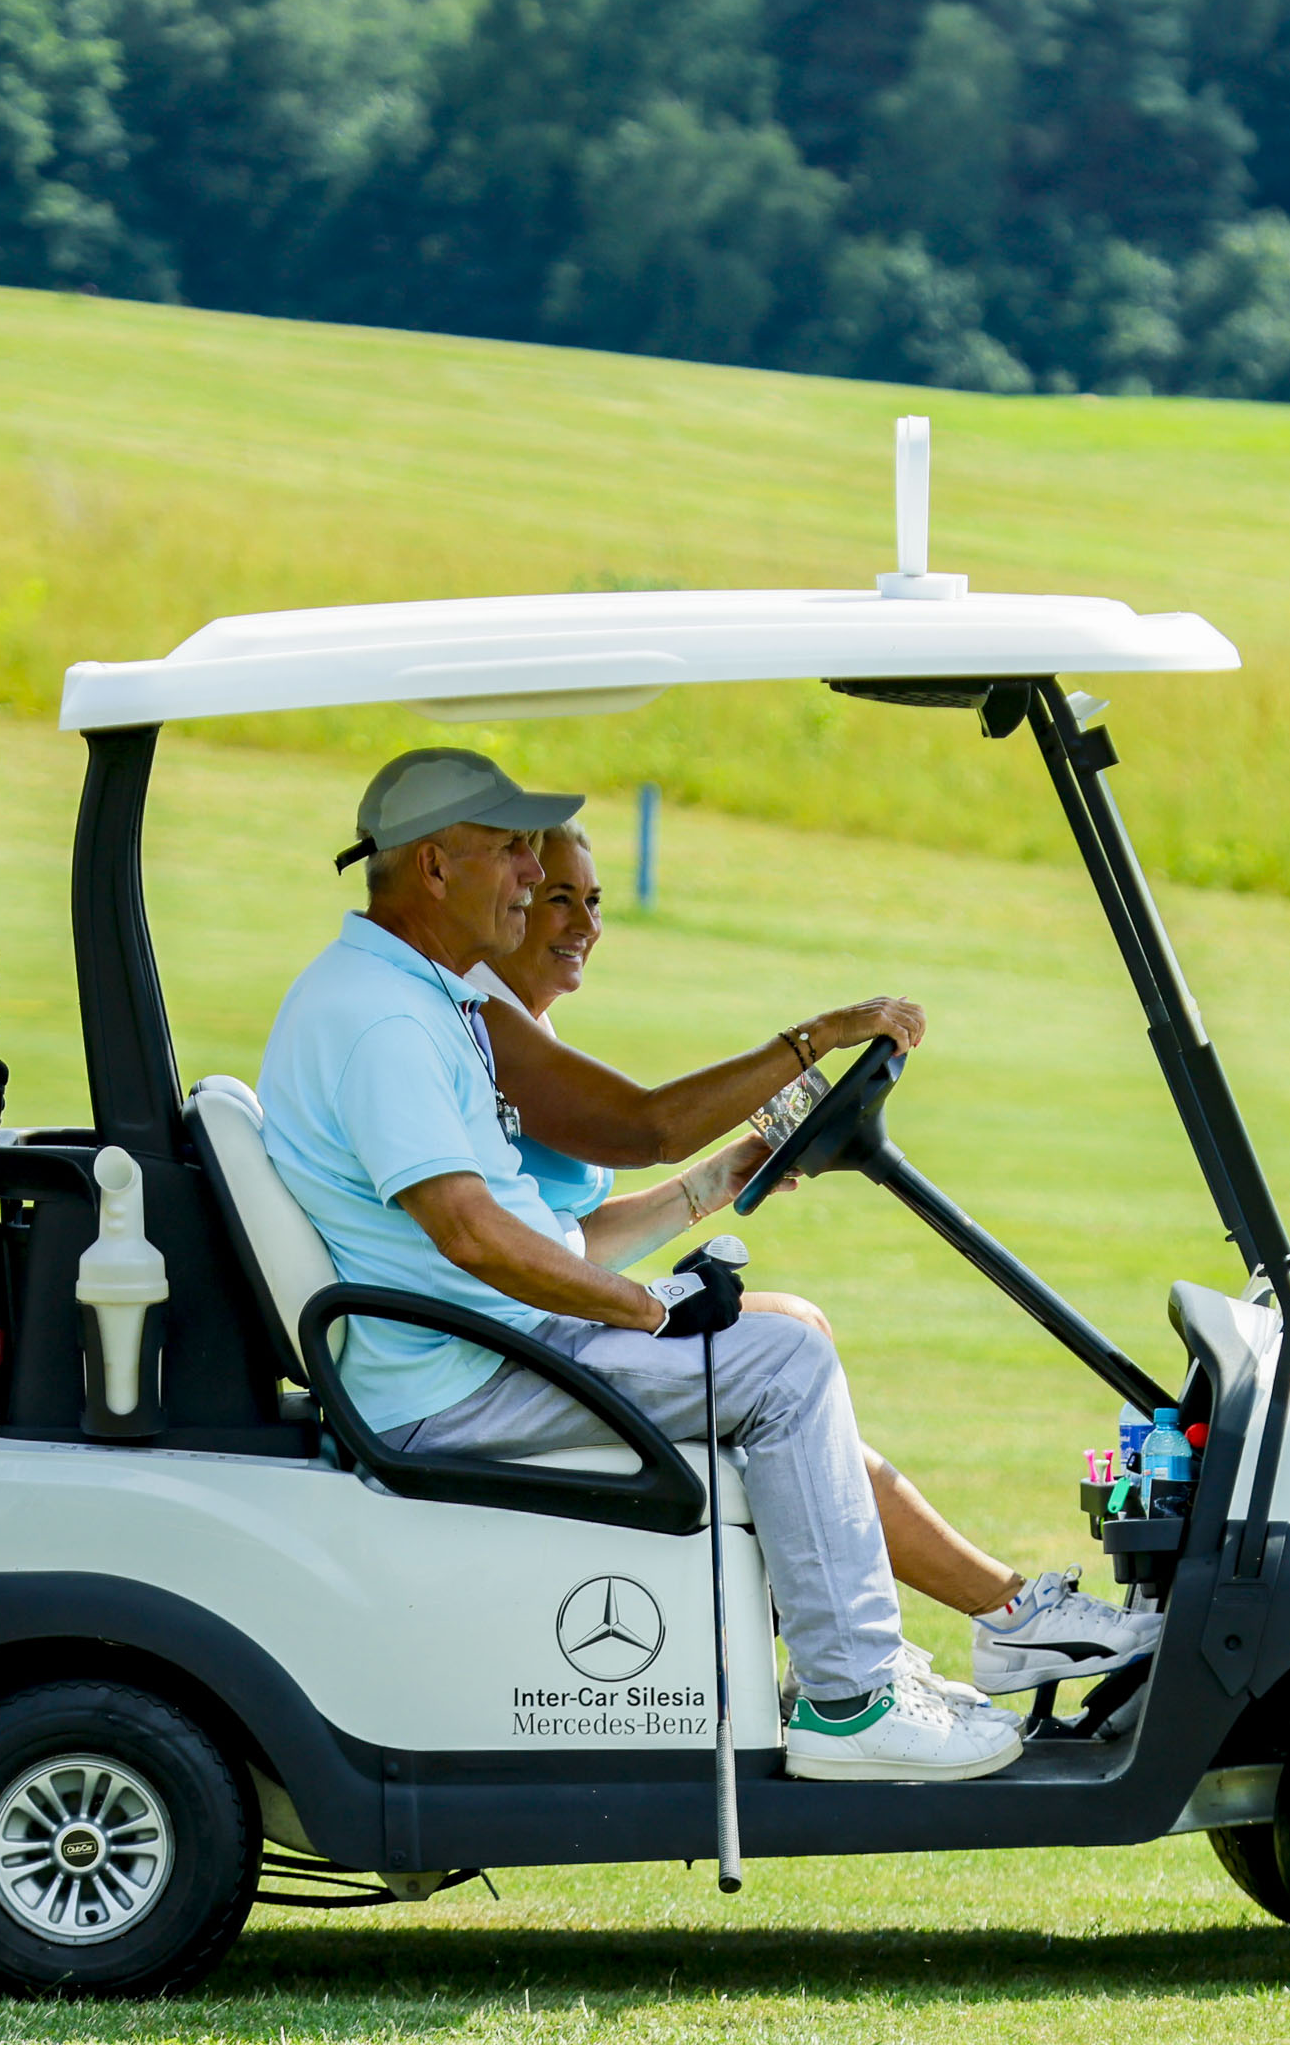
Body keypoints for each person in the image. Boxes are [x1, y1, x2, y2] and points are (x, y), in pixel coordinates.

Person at [258, 749, 1019, 1783]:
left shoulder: (411, 996)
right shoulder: (385, 1020)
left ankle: (854, 1665)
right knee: (782, 1363)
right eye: (513, 853)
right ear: (435, 867)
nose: (531, 880)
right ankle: (854, 1698)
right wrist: (649, 1315)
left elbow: (534, 1233)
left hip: (477, 1349)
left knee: (775, 1345)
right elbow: (472, 1235)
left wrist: (706, 1196)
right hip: (463, 1379)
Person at [468, 819, 1159, 1702]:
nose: (584, 924)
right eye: (556, 897)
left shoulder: (519, 1025)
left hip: (544, 1321)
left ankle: (958, 1621)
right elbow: (646, 1126)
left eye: (593, 900)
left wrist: (715, 1181)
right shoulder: (490, 1026)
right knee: (788, 1351)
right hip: (520, 1350)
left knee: (799, 1330)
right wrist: (817, 1036)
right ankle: (997, 1619)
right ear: (511, 895)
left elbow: (566, 1238)